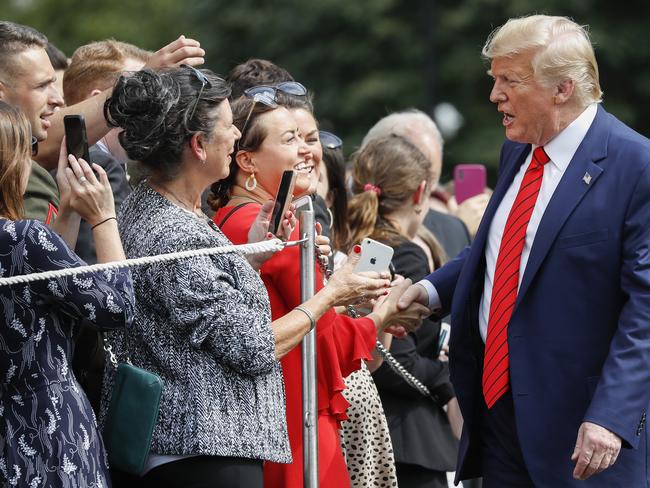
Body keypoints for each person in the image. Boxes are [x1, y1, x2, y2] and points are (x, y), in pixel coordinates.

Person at [102, 66, 402, 488]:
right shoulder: (174, 229)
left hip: (205, 448)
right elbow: (253, 346)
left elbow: (198, 307)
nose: (237, 138)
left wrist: (252, 258)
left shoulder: (169, 211)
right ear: (198, 145)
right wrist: (333, 293)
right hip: (203, 452)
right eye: (229, 128)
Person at [398, 14, 650, 487]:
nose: (495, 96)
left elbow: (646, 311)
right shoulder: (519, 148)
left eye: (509, 81)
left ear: (563, 89)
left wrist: (613, 416)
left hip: (585, 435)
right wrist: (428, 293)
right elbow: (498, 253)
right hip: (497, 418)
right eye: (495, 81)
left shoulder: (637, 167)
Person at [211, 90, 427, 488]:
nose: (308, 151)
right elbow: (323, 339)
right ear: (247, 161)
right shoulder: (263, 227)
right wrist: (381, 314)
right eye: (290, 139)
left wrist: (351, 302)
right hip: (294, 416)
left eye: (307, 138)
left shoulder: (234, 217)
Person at [0, 101, 134, 487]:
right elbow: (117, 307)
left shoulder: (24, 243)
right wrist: (104, 217)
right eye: (28, 148)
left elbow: (44, 283)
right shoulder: (24, 237)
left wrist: (69, 210)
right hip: (51, 429)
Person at [347, 135, 459, 488]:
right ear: (420, 192)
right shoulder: (403, 252)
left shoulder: (365, 243)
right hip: (407, 436)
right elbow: (397, 361)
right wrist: (448, 376)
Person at [360, 109, 473, 258]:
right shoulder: (338, 224)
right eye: (411, 177)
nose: (425, 195)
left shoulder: (454, 230)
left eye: (431, 180)